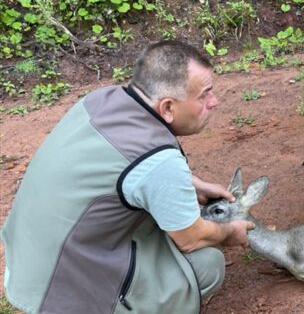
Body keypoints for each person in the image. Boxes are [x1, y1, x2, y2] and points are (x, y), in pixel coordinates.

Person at [1, 41, 254, 313]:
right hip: (62, 296)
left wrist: (193, 184)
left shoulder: (100, 100)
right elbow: (191, 238)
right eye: (204, 95)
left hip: (28, 271)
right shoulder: (160, 161)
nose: (214, 102)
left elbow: (116, 163)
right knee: (206, 263)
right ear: (168, 108)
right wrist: (229, 232)